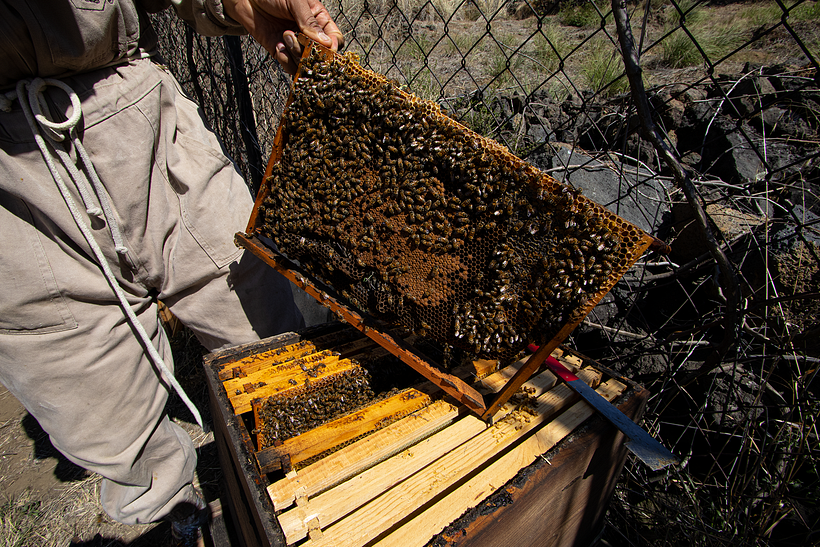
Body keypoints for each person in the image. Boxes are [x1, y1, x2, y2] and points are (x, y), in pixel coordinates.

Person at [0, 0, 343, 544]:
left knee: (276, 342)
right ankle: (178, 523)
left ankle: (320, 483)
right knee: (106, 415)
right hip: (13, 199)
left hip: (138, 113)